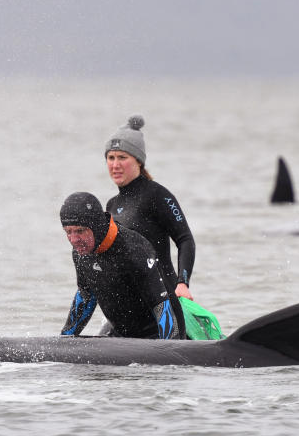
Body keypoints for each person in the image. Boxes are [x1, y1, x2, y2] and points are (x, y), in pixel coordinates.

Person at [59, 191, 185, 339]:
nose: (74, 240)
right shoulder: (81, 253)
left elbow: (161, 306)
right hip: (120, 336)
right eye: (68, 232)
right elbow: (86, 296)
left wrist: (171, 348)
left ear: (97, 226)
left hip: (156, 336)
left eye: (80, 231)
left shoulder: (134, 249)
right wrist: (63, 340)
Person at [103, 115, 196, 300]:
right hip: (132, 303)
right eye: (110, 157)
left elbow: (185, 239)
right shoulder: (112, 205)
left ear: (138, 161)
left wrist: (182, 283)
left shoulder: (157, 195)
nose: (115, 165)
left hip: (164, 297)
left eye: (122, 157)